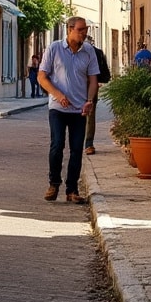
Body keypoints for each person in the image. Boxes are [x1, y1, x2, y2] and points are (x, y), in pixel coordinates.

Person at [38, 16, 99, 204]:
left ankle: (71, 190)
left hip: (79, 109)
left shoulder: (89, 51)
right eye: (81, 30)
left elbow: (93, 80)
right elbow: (42, 77)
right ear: (70, 29)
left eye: (86, 29)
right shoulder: (54, 48)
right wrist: (58, 94)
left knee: (76, 150)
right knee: (57, 145)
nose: (84, 33)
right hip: (58, 107)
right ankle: (53, 183)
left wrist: (89, 101)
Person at [83, 36, 111, 156]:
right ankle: (87, 144)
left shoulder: (96, 53)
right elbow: (105, 73)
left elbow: (103, 72)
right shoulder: (97, 52)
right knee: (89, 116)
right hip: (84, 86)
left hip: (90, 85)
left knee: (88, 114)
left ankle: (87, 143)